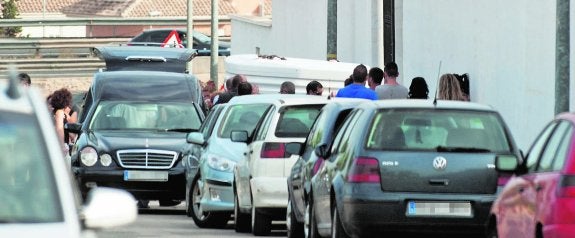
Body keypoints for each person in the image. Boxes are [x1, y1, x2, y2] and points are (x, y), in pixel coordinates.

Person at [50, 88, 74, 156]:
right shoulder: (59, 112)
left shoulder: (56, 112)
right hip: (59, 145)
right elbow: (59, 129)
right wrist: (62, 145)